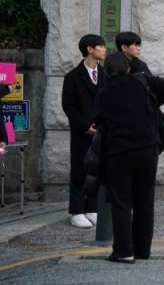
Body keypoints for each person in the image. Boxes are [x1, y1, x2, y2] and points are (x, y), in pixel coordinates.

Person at [95, 52, 164, 263]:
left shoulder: (104, 93)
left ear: (106, 70)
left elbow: (98, 119)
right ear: (128, 67)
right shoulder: (142, 81)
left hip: (119, 151)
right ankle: (142, 249)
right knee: (144, 200)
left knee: (121, 202)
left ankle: (123, 251)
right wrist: (151, 103)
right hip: (148, 148)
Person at [61, 34, 107, 228]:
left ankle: (92, 208)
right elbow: (68, 106)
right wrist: (84, 125)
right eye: (101, 46)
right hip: (81, 132)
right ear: (89, 49)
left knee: (97, 170)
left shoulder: (106, 74)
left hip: (101, 131)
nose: (104, 50)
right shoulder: (73, 76)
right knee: (79, 170)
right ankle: (77, 211)